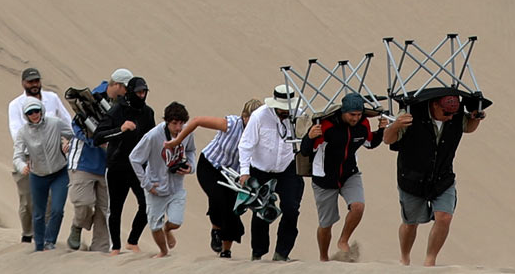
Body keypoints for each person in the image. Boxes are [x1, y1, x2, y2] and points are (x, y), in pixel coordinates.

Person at [384, 91, 486, 266]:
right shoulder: (410, 114)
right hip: (412, 178)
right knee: (410, 223)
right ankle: (405, 257)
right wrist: (395, 125)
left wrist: (476, 118)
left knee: (444, 217)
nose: (450, 117)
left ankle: (430, 261)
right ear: (435, 105)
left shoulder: (455, 115)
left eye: (453, 113)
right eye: (446, 113)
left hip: (442, 177)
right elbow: (388, 139)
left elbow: (468, 127)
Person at [167, 97, 263, 258]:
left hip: (234, 175)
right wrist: (178, 140)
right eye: (249, 118)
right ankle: (216, 230)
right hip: (211, 166)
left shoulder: (261, 133)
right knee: (218, 197)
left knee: (233, 210)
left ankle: (226, 250)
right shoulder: (231, 124)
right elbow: (197, 121)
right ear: (244, 116)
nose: (253, 122)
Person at [300, 92, 389, 262]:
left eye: (359, 114)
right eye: (352, 114)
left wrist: (382, 130)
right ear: (343, 112)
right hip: (324, 178)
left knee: (358, 207)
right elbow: (306, 151)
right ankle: (323, 258)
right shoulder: (326, 126)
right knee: (326, 224)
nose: (356, 118)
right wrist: (309, 137)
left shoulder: (362, 124)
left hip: (350, 174)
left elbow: (370, 142)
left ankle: (343, 240)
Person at [237, 84, 304, 262]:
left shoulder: (299, 115)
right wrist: (244, 173)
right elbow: (246, 145)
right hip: (261, 169)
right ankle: (258, 253)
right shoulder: (259, 116)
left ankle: (282, 253)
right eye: (281, 108)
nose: (285, 112)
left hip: (287, 167)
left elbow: (305, 138)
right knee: (261, 210)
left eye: (287, 108)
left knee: (291, 209)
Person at [8, 67, 74, 245]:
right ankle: (27, 233)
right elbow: (15, 131)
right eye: (30, 82)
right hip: (28, 158)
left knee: (51, 203)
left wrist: (68, 140)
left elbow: (67, 121)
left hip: (53, 159)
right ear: (23, 83)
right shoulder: (15, 105)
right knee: (27, 202)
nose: (34, 85)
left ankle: (44, 238)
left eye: (36, 81)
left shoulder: (51, 98)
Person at [94, 72, 154, 254]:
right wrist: (120, 130)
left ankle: (132, 241)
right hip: (117, 165)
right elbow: (98, 136)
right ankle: (116, 247)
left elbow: (152, 139)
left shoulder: (147, 112)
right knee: (116, 208)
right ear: (130, 92)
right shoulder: (116, 110)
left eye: (144, 92)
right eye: (138, 92)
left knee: (147, 204)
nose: (141, 96)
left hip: (138, 168)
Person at [129, 101, 197, 258]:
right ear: (167, 122)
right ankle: (163, 252)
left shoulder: (186, 132)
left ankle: (168, 230)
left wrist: (191, 166)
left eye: (181, 123)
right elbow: (134, 158)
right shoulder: (153, 136)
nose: (179, 128)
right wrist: (146, 184)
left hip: (177, 186)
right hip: (156, 187)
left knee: (176, 222)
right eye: (174, 123)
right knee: (154, 226)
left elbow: (191, 150)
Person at [64, 70, 119, 253]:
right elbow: (77, 124)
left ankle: (99, 250)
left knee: (104, 211)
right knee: (83, 203)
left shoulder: (124, 104)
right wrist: (93, 141)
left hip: (108, 165)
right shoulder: (93, 98)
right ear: (117, 85)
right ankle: (77, 225)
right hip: (83, 161)